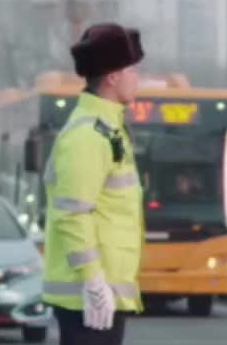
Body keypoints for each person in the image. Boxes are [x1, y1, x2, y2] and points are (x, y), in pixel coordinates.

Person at [42, 23, 145, 345]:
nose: (137, 78)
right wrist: (93, 281)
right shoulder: (88, 135)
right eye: (132, 69)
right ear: (113, 76)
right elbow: (73, 213)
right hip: (90, 297)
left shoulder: (107, 129)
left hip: (100, 293)